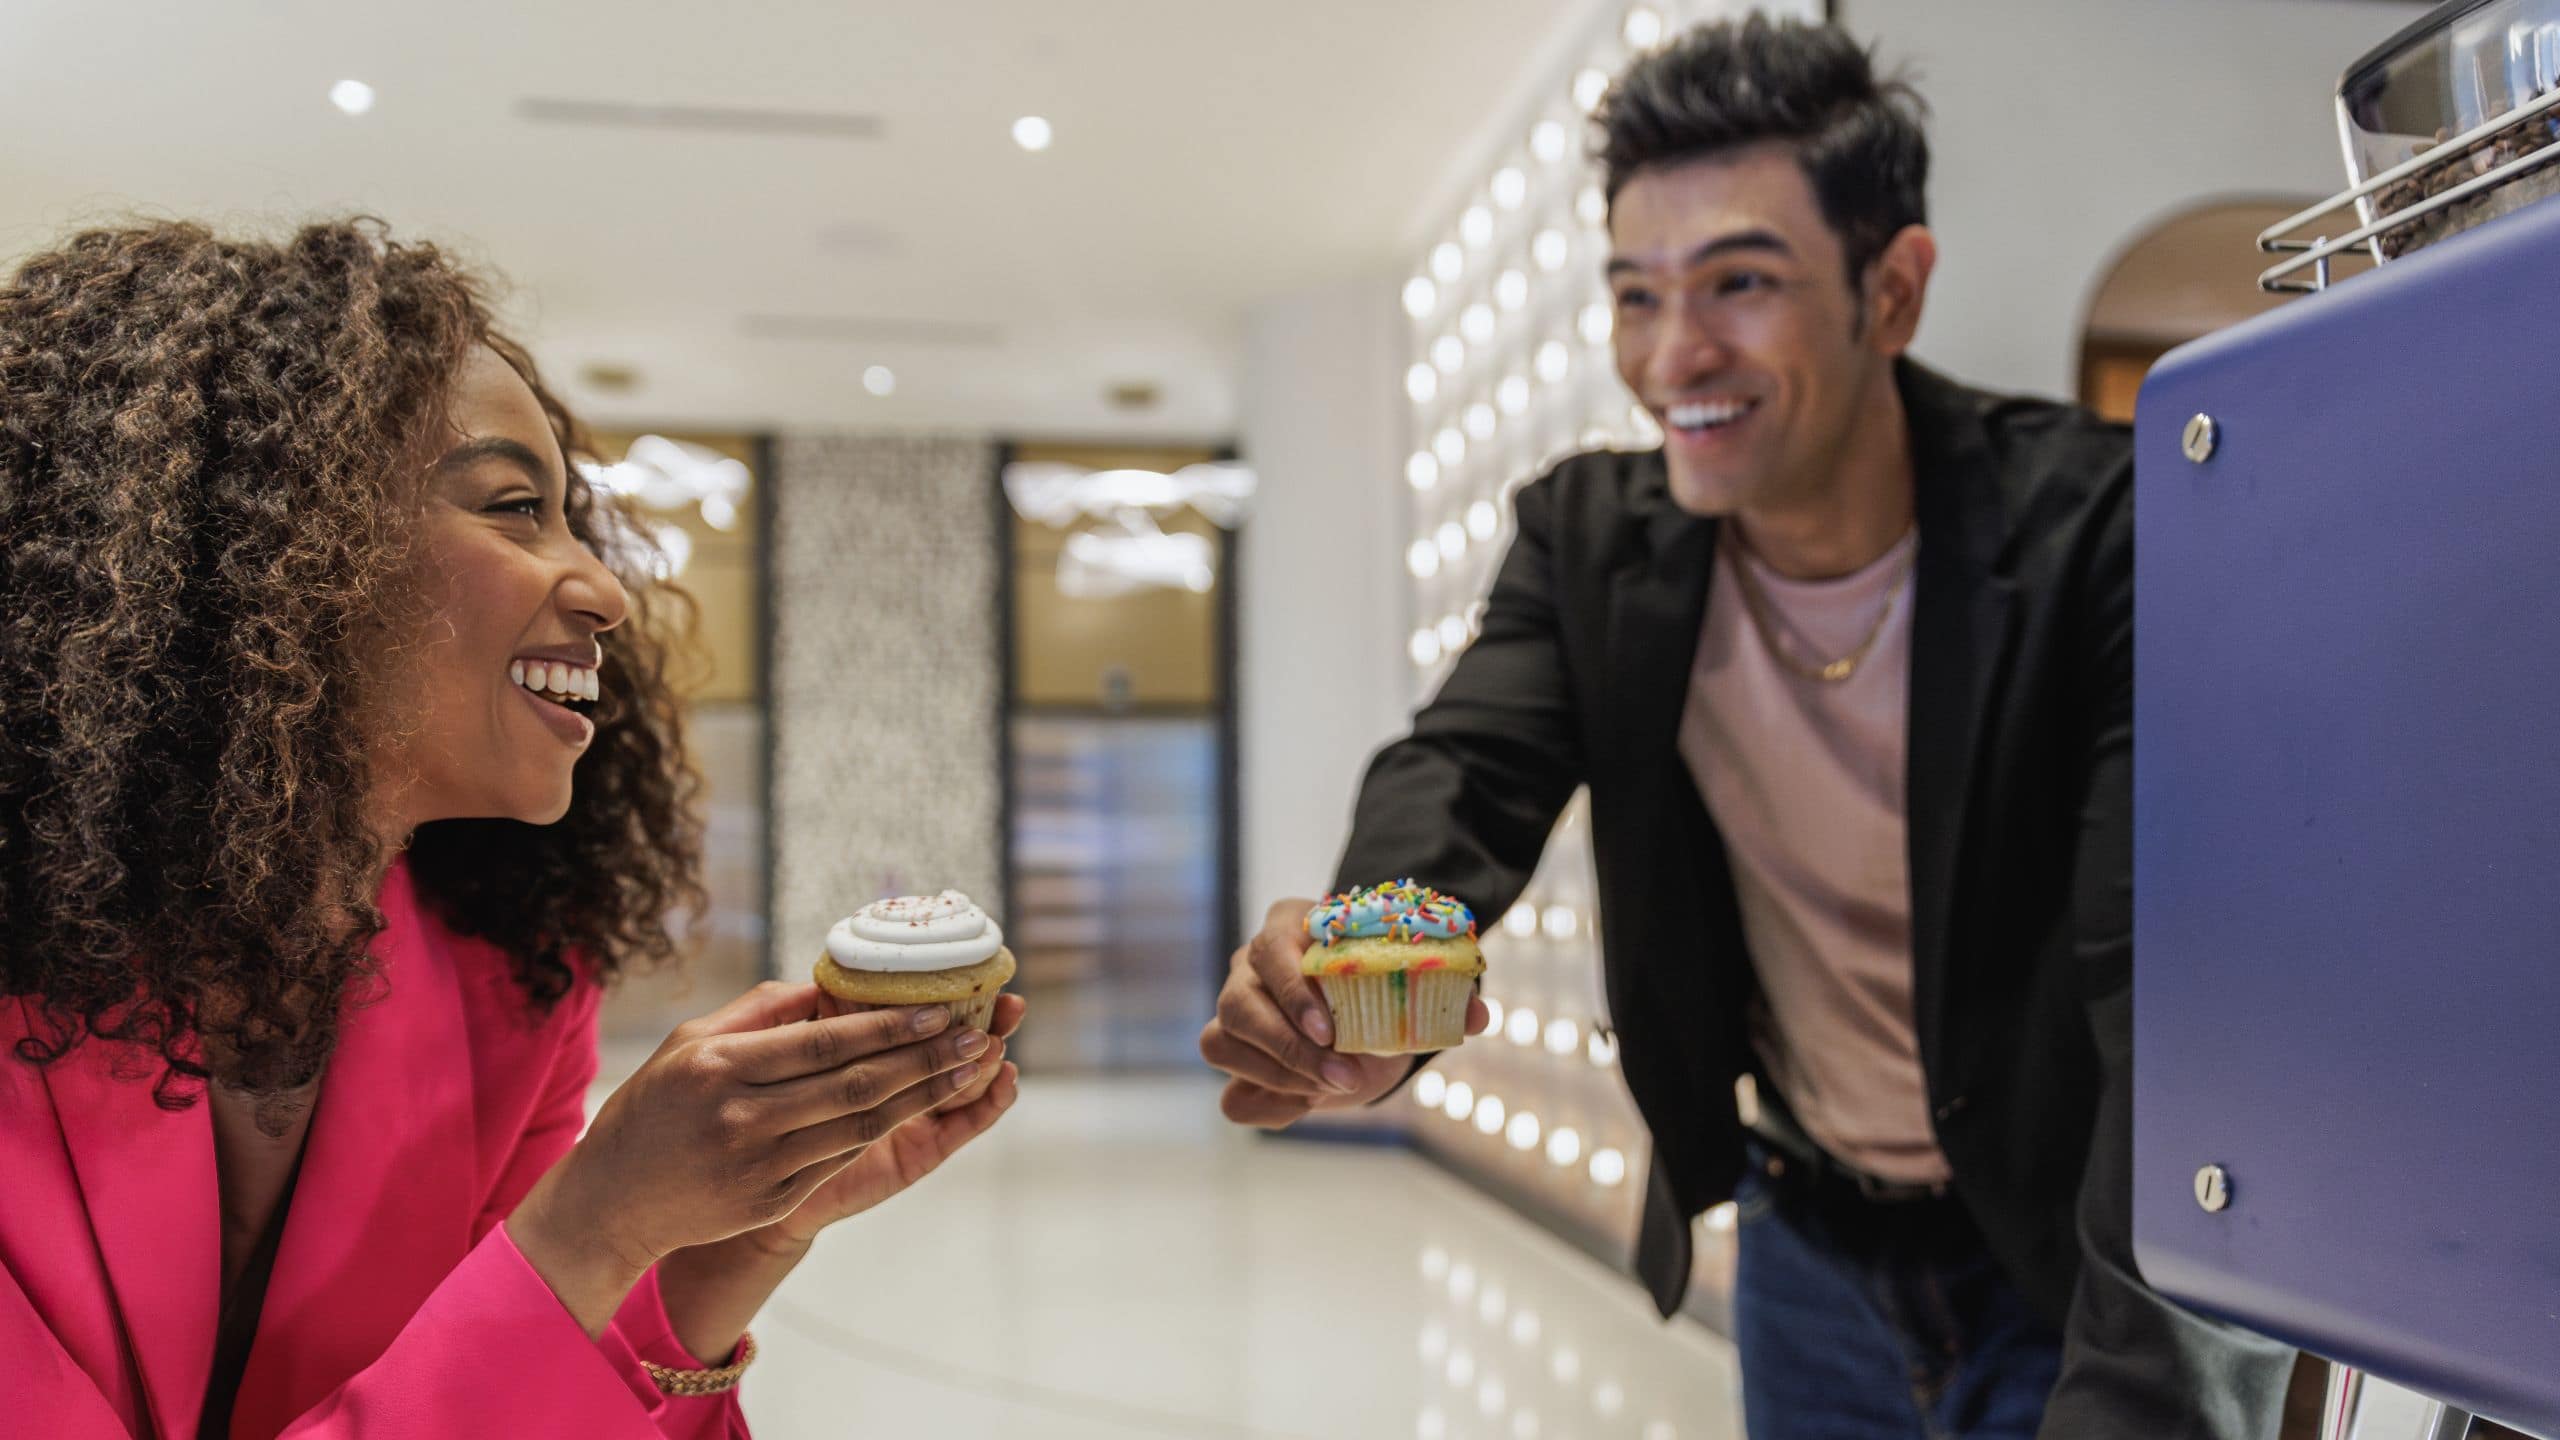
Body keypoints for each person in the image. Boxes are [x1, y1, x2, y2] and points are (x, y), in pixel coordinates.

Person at [1198, 17, 2295, 1438]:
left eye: (1739, 283)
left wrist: (2159, 1395)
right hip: (1804, 1243)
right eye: (1637, 294)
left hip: (2063, 1247)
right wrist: (1356, 966)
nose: (1673, 355)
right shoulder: (1588, 538)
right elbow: (1466, 769)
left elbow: (2169, 990)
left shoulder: (2101, 528)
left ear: (1891, 290)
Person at [0, 218, 1023, 1439]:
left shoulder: (516, 987)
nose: (602, 589)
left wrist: (716, 1259)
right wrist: (590, 1227)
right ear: (263, 548)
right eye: (512, 509)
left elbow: (491, 1380)